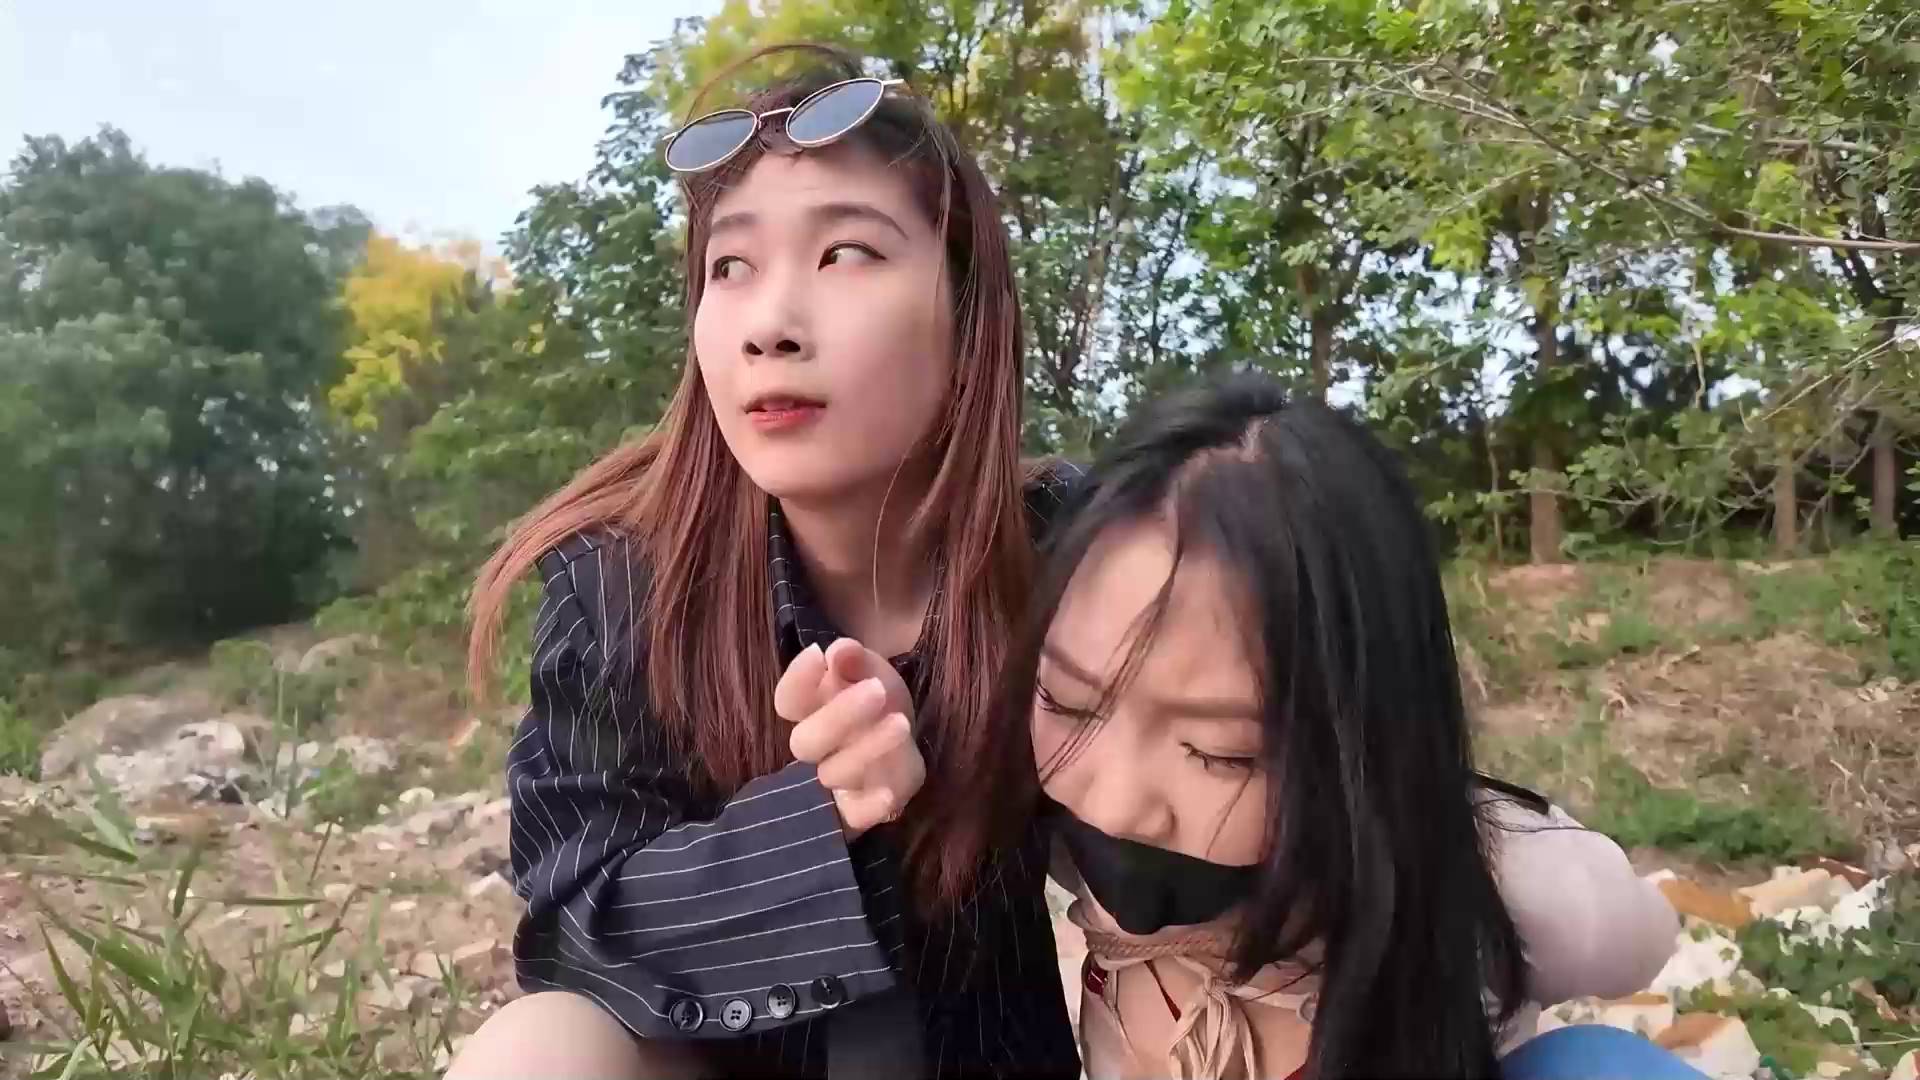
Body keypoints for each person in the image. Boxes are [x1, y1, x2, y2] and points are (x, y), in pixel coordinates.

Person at [444, 44, 1081, 1080]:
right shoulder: (622, 588)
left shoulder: (1077, 551)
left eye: (846, 254)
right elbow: (573, 935)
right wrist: (822, 814)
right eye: (730, 268)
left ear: (967, 314)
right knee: (538, 1051)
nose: (769, 328)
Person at [1001, 371, 1703, 1079]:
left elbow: (1639, 942)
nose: (1114, 804)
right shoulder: (1049, 829)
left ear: (1366, 737)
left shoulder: (1522, 888)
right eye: (1067, 702)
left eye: (1220, 753)